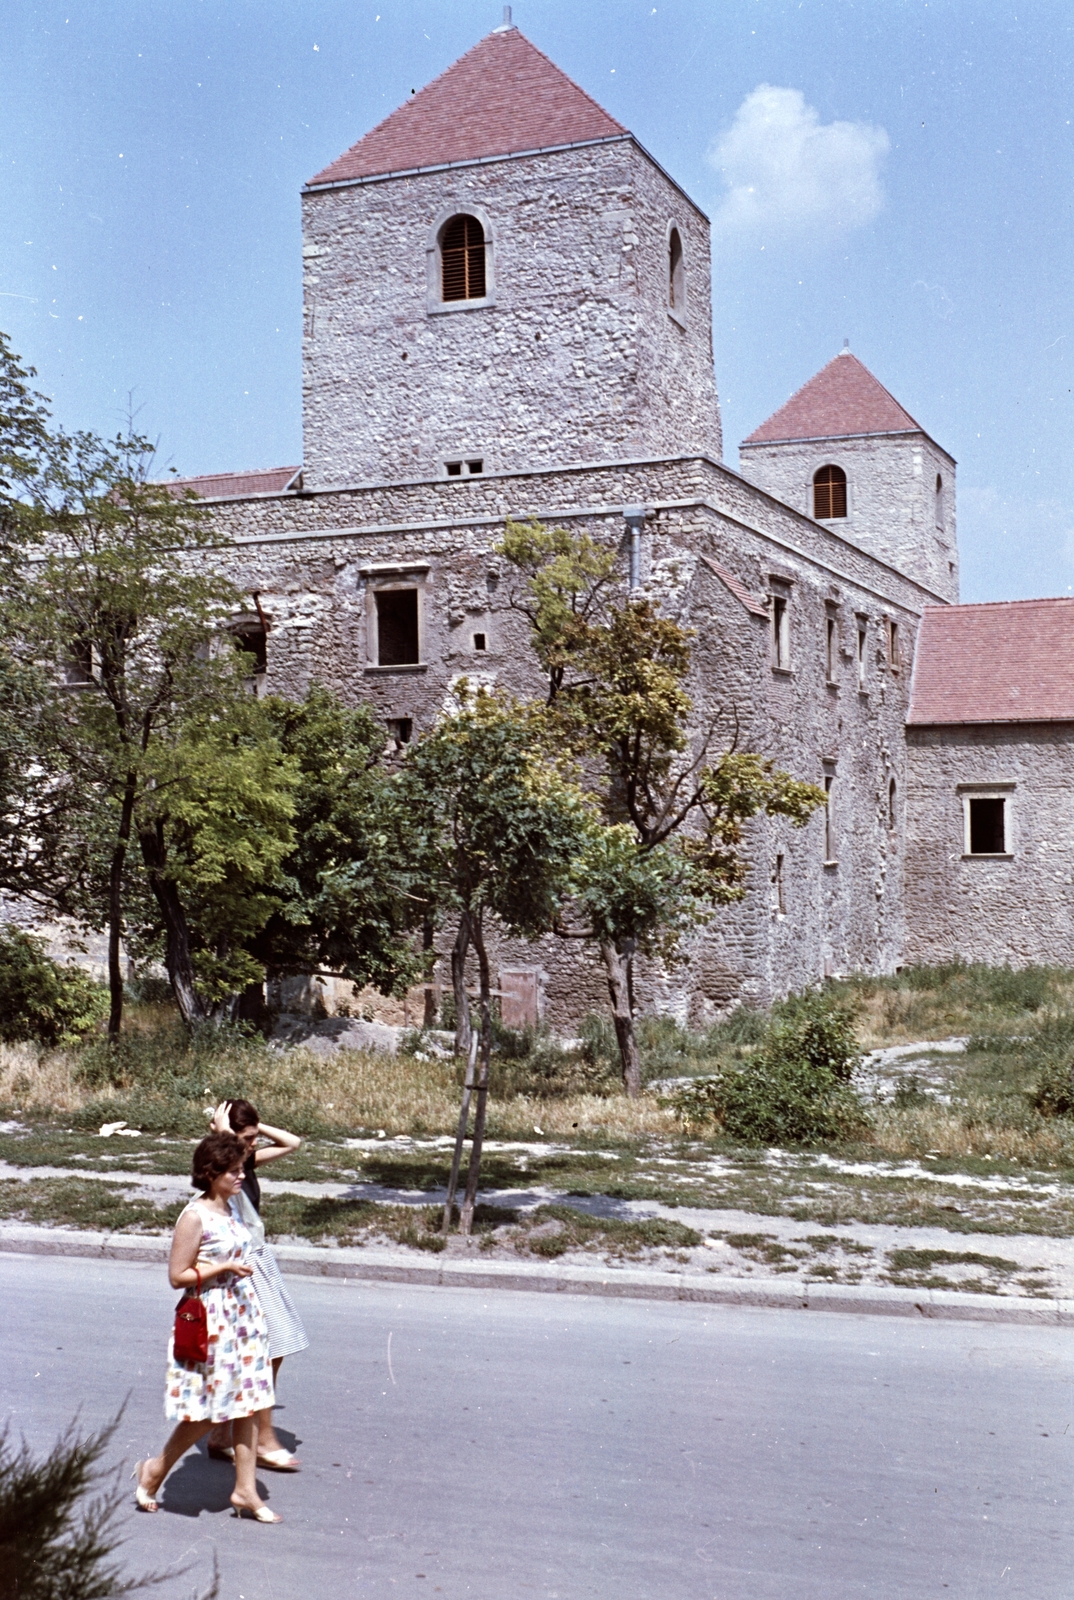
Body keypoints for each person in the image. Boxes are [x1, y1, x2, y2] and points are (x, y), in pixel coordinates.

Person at [133, 1132, 281, 1523]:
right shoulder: (194, 1216)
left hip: (241, 1316)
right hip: (210, 1318)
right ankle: (156, 1469)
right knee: (206, 1412)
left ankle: (245, 1490)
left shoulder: (232, 1208)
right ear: (211, 1173)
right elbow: (178, 1275)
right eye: (232, 1171)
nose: (239, 1177)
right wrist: (223, 1268)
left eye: (240, 1170)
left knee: (248, 1403)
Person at [204, 1099, 309, 1472]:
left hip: (258, 1258)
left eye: (252, 1139)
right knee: (267, 1346)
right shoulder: (218, 1168)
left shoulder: (245, 1162)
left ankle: (220, 1435)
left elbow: (293, 1143)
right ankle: (262, 1439)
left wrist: (257, 1130)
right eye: (244, 1139)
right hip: (242, 1262)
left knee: (270, 1346)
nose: (251, 1146)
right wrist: (223, 1137)